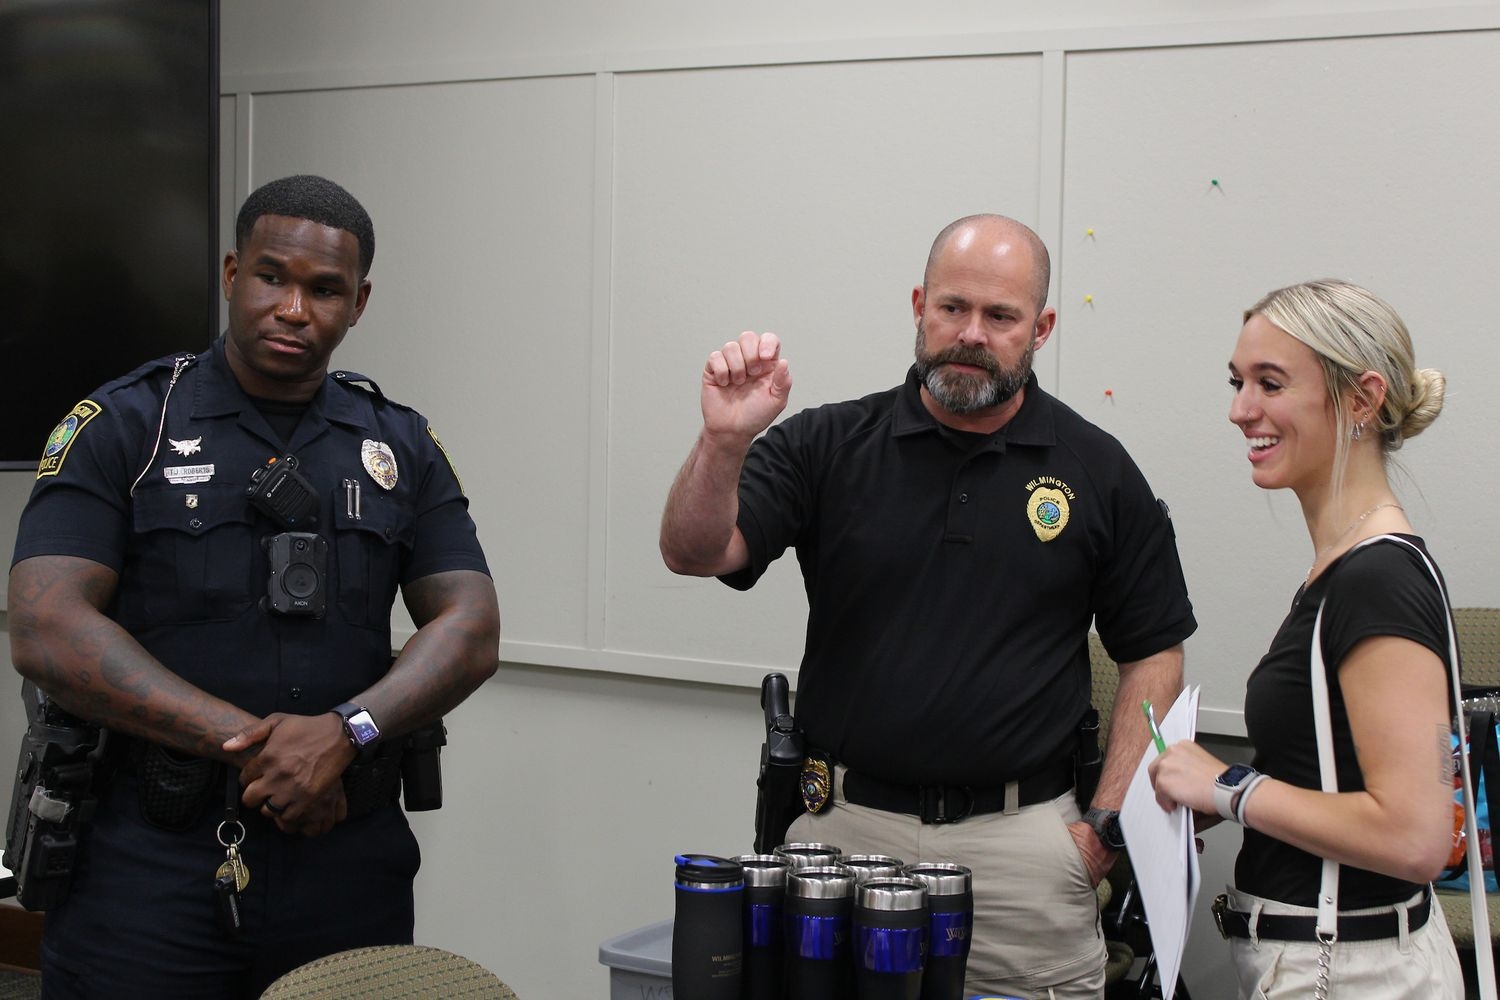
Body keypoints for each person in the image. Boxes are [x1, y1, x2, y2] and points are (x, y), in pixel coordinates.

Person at [660, 214, 1196, 997]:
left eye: (1000, 316)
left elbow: (1155, 652)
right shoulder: (829, 444)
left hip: (1022, 853)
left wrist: (1104, 830)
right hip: (840, 839)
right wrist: (723, 442)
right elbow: (695, 550)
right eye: (952, 308)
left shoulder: (1097, 471)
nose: (970, 334)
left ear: (1041, 328)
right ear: (919, 304)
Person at [7, 174, 501, 998]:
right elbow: (46, 624)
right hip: (149, 867)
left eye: (325, 289)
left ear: (360, 302)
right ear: (233, 274)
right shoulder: (128, 425)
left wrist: (345, 735)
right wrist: (258, 745)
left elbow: (471, 625)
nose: (295, 309)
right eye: (273, 278)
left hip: (347, 860)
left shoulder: (398, 443)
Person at [1148, 279, 1463, 997]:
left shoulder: (1376, 579)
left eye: (1270, 383)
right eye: (1237, 382)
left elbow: (1414, 838)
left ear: (1361, 399)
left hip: (1351, 972)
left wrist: (1228, 785)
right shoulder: (1346, 568)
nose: (1240, 410)